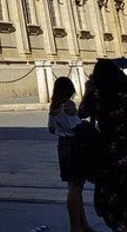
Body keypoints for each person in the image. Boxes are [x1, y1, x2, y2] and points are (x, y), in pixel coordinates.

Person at [79, 59, 127, 231]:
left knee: (114, 195)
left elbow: (82, 113)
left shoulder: (97, 94)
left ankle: (120, 225)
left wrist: (87, 90)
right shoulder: (125, 90)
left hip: (109, 153)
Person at [48, 76, 94, 232]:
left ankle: (83, 225)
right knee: (75, 188)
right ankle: (75, 228)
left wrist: (63, 127)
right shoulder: (68, 105)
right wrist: (88, 92)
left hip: (62, 145)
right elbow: (78, 122)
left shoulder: (53, 106)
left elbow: (51, 128)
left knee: (74, 187)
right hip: (75, 146)